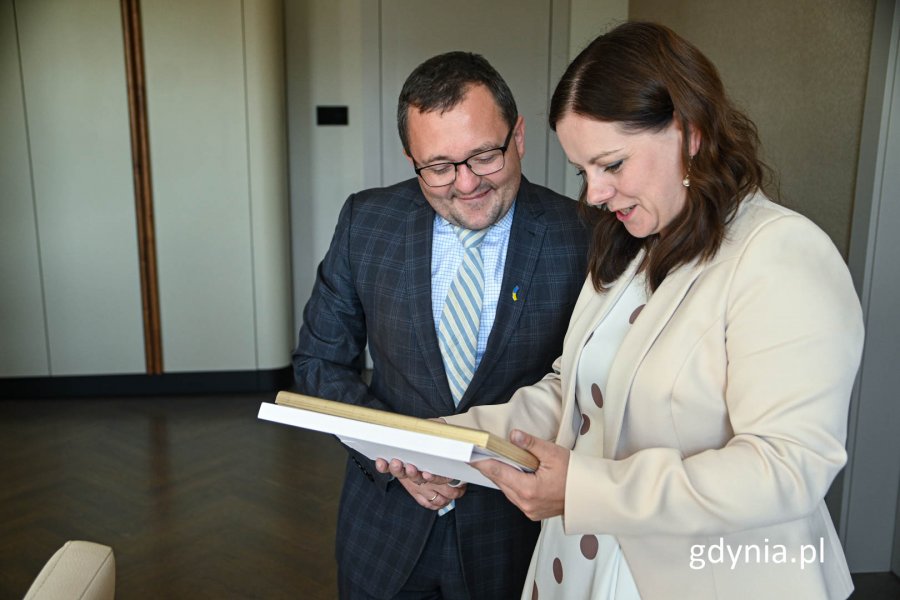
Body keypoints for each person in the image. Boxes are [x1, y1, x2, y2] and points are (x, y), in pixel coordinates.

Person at [385, 22, 865, 599]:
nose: (593, 194)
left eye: (611, 165)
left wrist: (586, 490)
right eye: (583, 171)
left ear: (689, 133)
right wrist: (450, 437)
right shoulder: (631, 247)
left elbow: (789, 468)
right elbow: (578, 392)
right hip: (583, 572)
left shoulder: (781, 254)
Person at [292, 51, 590, 599]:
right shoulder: (367, 222)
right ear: (411, 159)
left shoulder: (583, 235)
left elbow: (587, 385)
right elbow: (320, 361)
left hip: (514, 535)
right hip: (383, 529)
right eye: (439, 166)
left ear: (518, 136)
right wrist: (395, 454)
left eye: (484, 156)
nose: (466, 183)